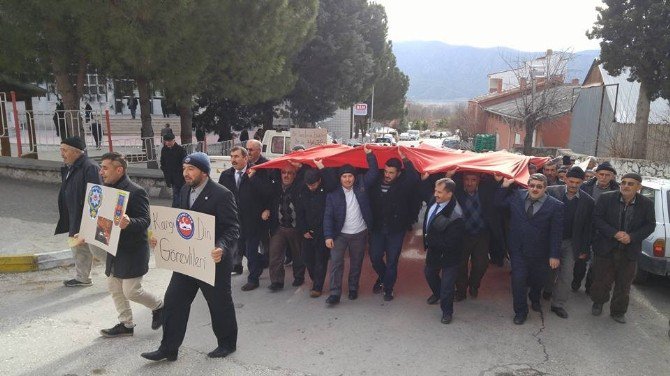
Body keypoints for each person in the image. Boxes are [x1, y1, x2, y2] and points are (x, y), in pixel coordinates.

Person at [141, 152, 240, 361]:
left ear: (203, 172)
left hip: (213, 262)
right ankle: (168, 348)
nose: (185, 173)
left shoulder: (222, 194)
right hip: (187, 261)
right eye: (184, 169)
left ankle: (227, 344)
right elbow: (178, 221)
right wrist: (160, 237)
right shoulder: (185, 190)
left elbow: (232, 228)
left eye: (191, 169)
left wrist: (220, 246)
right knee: (173, 301)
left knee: (219, 304)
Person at [80, 152, 163, 338]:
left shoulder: (136, 191)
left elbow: (145, 220)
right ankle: (126, 324)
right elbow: (98, 218)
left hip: (133, 250)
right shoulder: (104, 191)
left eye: (105, 168)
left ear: (119, 170)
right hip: (113, 248)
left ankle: (159, 306)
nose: (101, 172)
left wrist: (129, 222)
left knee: (131, 291)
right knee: (114, 287)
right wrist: (86, 230)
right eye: (101, 167)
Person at [495, 173, 564, 325]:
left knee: (537, 280)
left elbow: (556, 233)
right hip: (518, 249)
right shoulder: (516, 196)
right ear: (527, 185)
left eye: (539, 187)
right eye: (532, 185)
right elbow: (498, 205)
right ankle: (520, 311)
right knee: (518, 280)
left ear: (545, 188)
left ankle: (534, 298)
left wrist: (554, 255)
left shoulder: (556, 206)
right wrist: (504, 187)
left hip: (541, 252)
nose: (535, 189)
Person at [590, 173, 655, 324]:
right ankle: (598, 303)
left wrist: (631, 237)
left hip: (629, 251)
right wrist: (614, 233)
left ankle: (618, 311)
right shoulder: (606, 198)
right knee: (601, 280)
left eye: (630, 184)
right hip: (606, 248)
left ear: (639, 187)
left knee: (624, 284)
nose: (625, 186)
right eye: (623, 183)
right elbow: (597, 218)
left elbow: (650, 225)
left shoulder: (647, 204)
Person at [323, 145, 378, 305]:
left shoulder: (362, 184)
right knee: (336, 263)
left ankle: (353, 288)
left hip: (359, 233)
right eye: (344, 176)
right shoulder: (333, 194)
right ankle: (335, 293)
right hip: (339, 235)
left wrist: (370, 155)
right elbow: (328, 216)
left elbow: (374, 173)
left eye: (350, 176)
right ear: (340, 178)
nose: (348, 179)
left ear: (354, 177)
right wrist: (328, 236)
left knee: (356, 262)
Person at [217, 146, 272, 289]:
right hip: (234, 220)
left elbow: (267, 192)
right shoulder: (226, 175)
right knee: (243, 249)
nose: (233, 160)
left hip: (253, 218)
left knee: (251, 249)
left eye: (236, 157)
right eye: (232, 156)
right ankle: (263, 261)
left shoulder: (257, 171)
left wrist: (252, 178)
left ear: (245, 158)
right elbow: (221, 196)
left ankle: (253, 279)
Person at [55, 137, 107, 287]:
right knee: (77, 247)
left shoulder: (90, 167)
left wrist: (91, 219)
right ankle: (82, 277)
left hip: (88, 216)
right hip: (74, 215)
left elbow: (96, 194)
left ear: (76, 151)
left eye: (64, 150)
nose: (61, 153)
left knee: (98, 250)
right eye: (61, 150)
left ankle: (119, 276)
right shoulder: (70, 166)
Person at [545, 167, 594, 319]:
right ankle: (547, 289)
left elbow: (588, 227)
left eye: (577, 182)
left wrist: (584, 248)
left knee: (566, 274)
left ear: (582, 182)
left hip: (571, 243)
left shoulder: (588, 201)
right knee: (548, 270)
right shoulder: (551, 191)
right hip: (549, 240)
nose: (573, 185)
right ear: (565, 179)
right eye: (571, 181)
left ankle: (558, 304)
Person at [369, 152, 419, 301]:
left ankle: (388, 289)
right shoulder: (376, 182)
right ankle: (383, 277)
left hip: (396, 230)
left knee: (392, 261)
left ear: (398, 173)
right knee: (375, 257)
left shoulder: (404, 185)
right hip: (377, 228)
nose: (387, 175)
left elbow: (414, 177)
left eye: (391, 172)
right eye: (385, 171)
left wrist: (405, 159)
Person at [450, 171, 504, 301]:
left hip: (481, 234)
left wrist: (499, 181)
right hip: (462, 234)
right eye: (467, 179)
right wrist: (447, 176)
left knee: (481, 264)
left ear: (479, 180)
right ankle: (461, 291)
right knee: (460, 264)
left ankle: (474, 285)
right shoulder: (456, 191)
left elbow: (500, 193)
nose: (469, 183)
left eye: (473, 179)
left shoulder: (486, 190)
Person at [423, 178, 465, 324]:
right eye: (435, 190)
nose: (435, 194)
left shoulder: (456, 215)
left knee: (447, 286)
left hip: (449, 255)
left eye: (439, 192)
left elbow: (452, 242)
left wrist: (430, 240)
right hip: (435, 251)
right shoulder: (435, 200)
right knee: (429, 274)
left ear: (449, 194)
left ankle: (447, 312)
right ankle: (437, 293)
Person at [573, 161, 619, 293]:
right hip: (585, 229)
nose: (604, 177)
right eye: (601, 174)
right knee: (580, 260)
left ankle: (589, 286)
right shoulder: (586, 187)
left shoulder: (617, 191)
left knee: (596, 263)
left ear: (612, 176)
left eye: (607, 175)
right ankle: (576, 281)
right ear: (596, 174)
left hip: (604, 232)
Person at [296, 166, 336, 297]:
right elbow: (300, 211)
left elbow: (333, 183)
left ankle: (317, 287)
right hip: (307, 231)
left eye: (313, 185)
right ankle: (315, 278)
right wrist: (304, 230)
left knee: (321, 260)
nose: (310, 187)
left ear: (319, 181)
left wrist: (324, 169)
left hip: (322, 231)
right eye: (308, 185)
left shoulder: (326, 190)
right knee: (307, 258)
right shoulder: (303, 190)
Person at [266, 163, 306, 291]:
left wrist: (300, 166)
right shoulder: (276, 187)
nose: (286, 175)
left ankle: (299, 277)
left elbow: (303, 176)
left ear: (295, 175)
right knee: (275, 255)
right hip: (279, 228)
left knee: (298, 255)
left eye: (289, 173)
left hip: (295, 228)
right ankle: (277, 281)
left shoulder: (299, 187)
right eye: (283, 173)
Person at [160, 132, 187, 208]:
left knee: (179, 194)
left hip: (180, 176)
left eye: (169, 141)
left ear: (173, 141)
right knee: (175, 194)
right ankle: (176, 208)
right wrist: (165, 171)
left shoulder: (180, 150)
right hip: (170, 176)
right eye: (166, 141)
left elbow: (185, 163)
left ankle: (178, 208)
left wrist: (181, 173)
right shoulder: (164, 149)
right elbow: (163, 162)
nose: (167, 143)